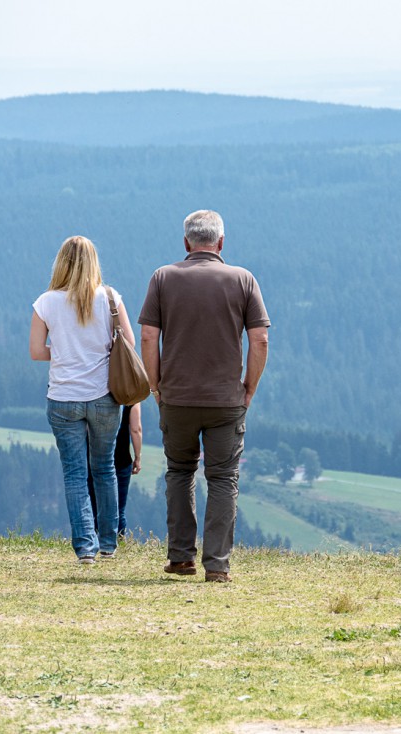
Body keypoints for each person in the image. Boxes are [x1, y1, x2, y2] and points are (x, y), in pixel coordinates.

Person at [139, 210, 270, 583]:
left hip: (176, 397)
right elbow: (259, 339)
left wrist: (156, 386)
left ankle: (181, 557)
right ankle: (217, 565)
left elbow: (149, 337)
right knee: (224, 478)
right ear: (221, 243)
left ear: (186, 243)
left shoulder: (163, 277)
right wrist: (249, 387)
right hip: (226, 399)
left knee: (180, 472)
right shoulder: (243, 279)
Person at [30, 236, 130, 564]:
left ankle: (84, 548)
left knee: (74, 473)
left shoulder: (45, 302)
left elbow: (36, 351)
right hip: (104, 397)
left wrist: (63, 352)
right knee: (104, 468)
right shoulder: (111, 298)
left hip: (62, 398)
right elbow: (127, 344)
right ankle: (108, 544)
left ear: (61, 262)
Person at [87, 404, 142, 537]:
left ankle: (95, 540)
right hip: (121, 459)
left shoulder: (95, 392)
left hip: (95, 456)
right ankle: (118, 541)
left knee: (95, 505)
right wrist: (137, 457)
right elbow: (136, 429)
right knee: (119, 507)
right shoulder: (131, 395)